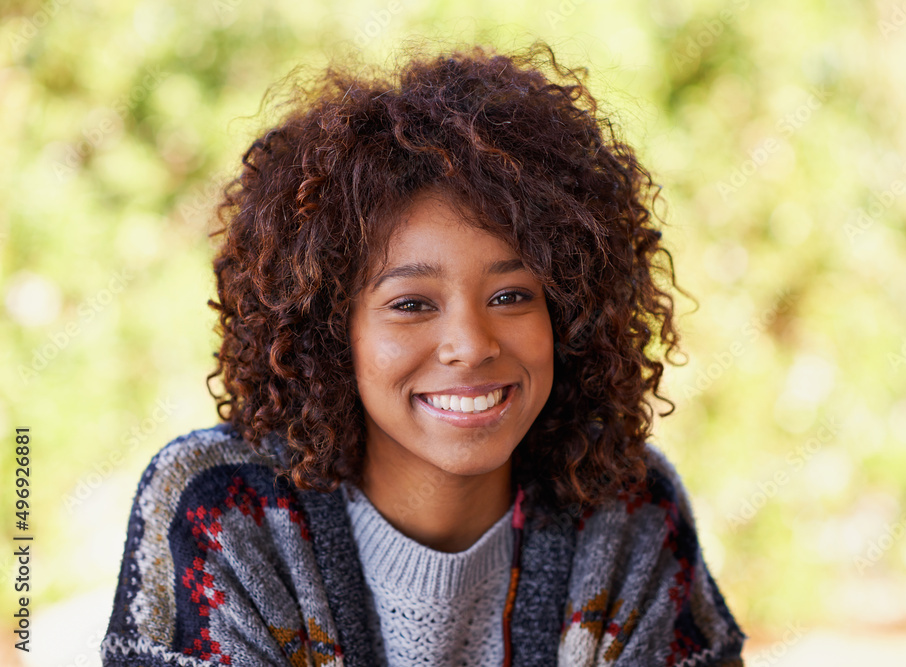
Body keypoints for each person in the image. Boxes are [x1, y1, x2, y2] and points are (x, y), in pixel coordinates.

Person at [101, 42, 746, 666]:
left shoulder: (627, 509)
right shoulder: (223, 510)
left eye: (512, 294)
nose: (470, 345)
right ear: (330, 330)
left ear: (569, 311)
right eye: (411, 303)